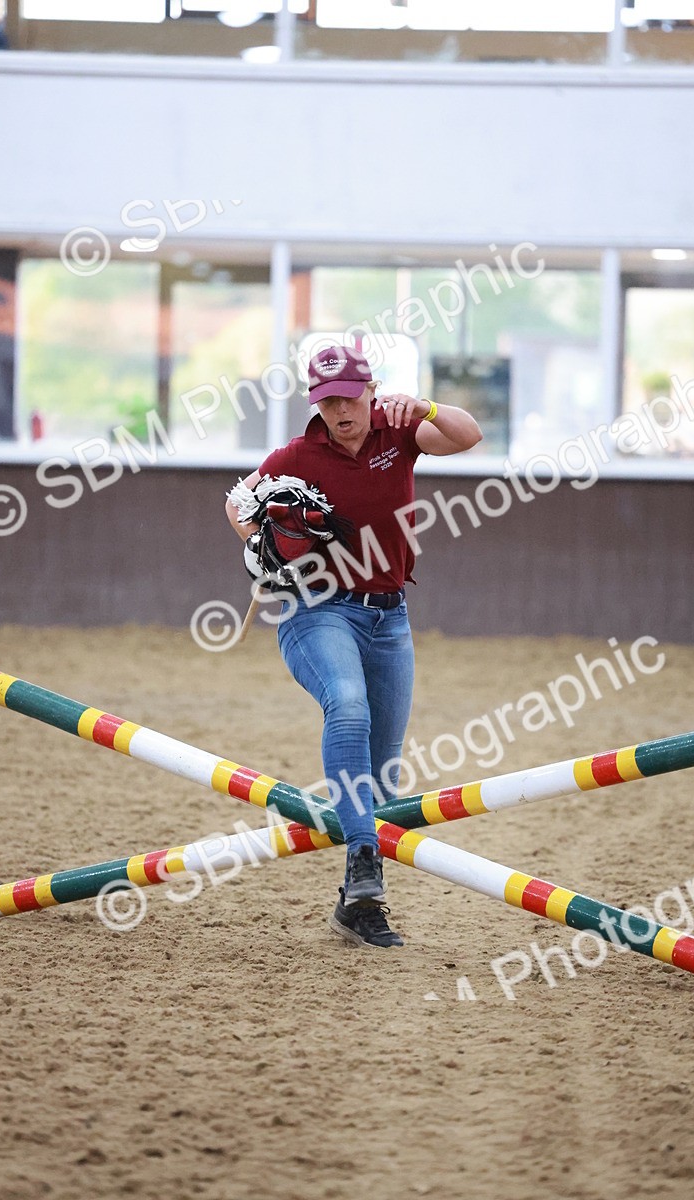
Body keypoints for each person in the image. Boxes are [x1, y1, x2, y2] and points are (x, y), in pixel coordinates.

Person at [225, 344, 482, 948]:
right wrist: (261, 541)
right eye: (327, 400)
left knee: (385, 778)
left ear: (373, 390)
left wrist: (425, 404)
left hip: (390, 618)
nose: (340, 410)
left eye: (348, 396)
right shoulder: (297, 455)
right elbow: (238, 503)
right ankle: (365, 856)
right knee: (347, 704)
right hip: (316, 612)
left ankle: (359, 903)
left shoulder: (401, 427)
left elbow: (468, 435)